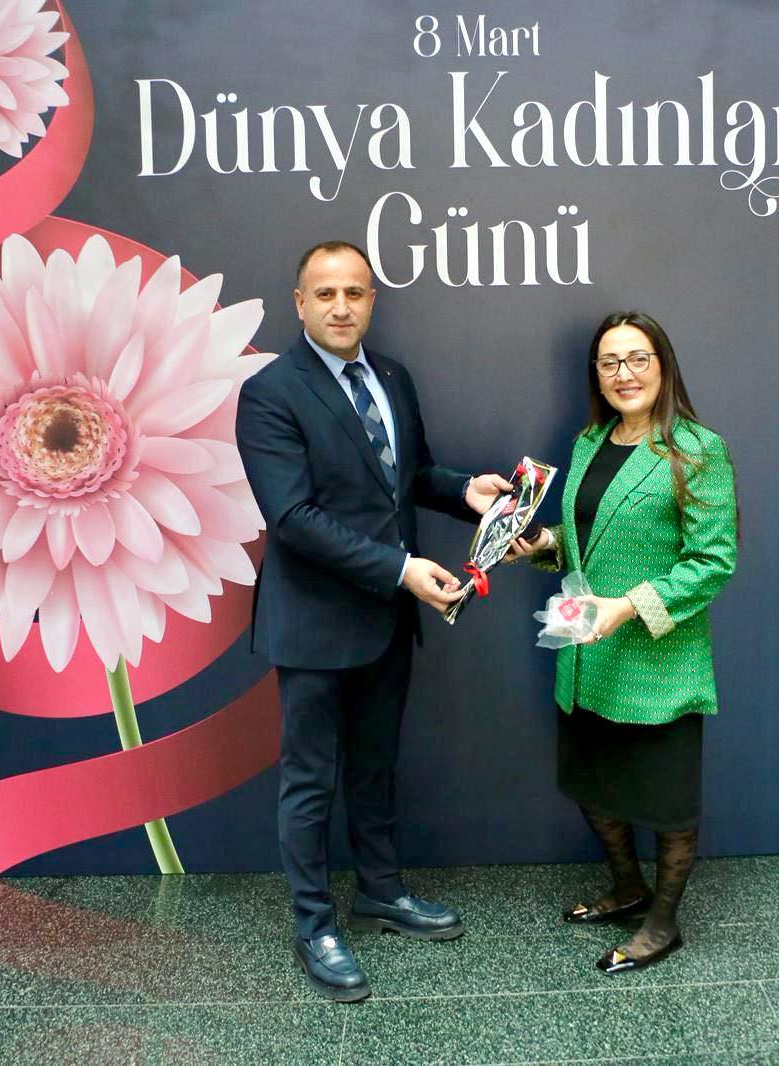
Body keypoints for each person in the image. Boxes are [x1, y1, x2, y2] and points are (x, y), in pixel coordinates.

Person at [237, 240, 513, 1002]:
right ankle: (314, 925)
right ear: (299, 302)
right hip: (315, 622)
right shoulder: (270, 392)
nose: (341, 307)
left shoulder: (391, 377)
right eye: (325, 294)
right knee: (310, 781)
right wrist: (401, 570)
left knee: (375, 767)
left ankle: (382, 893)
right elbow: (293, 518)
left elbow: (407, 479)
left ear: (372, 300)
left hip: (388, 619)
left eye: (354, 292)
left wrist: (466, 493)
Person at [507, 310, 739, 973]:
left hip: (657, 659)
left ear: (663, 365)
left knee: (666, 799)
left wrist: (630, 607)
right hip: (585, 650)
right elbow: (586, 539)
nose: (624, 373)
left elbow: (714, 561)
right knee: (593, 783)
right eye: (609, 362)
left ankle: (662, 923)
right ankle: (628, 886)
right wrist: (542, 543)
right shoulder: (589, 442)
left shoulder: (697, 449)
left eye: (638, 358)